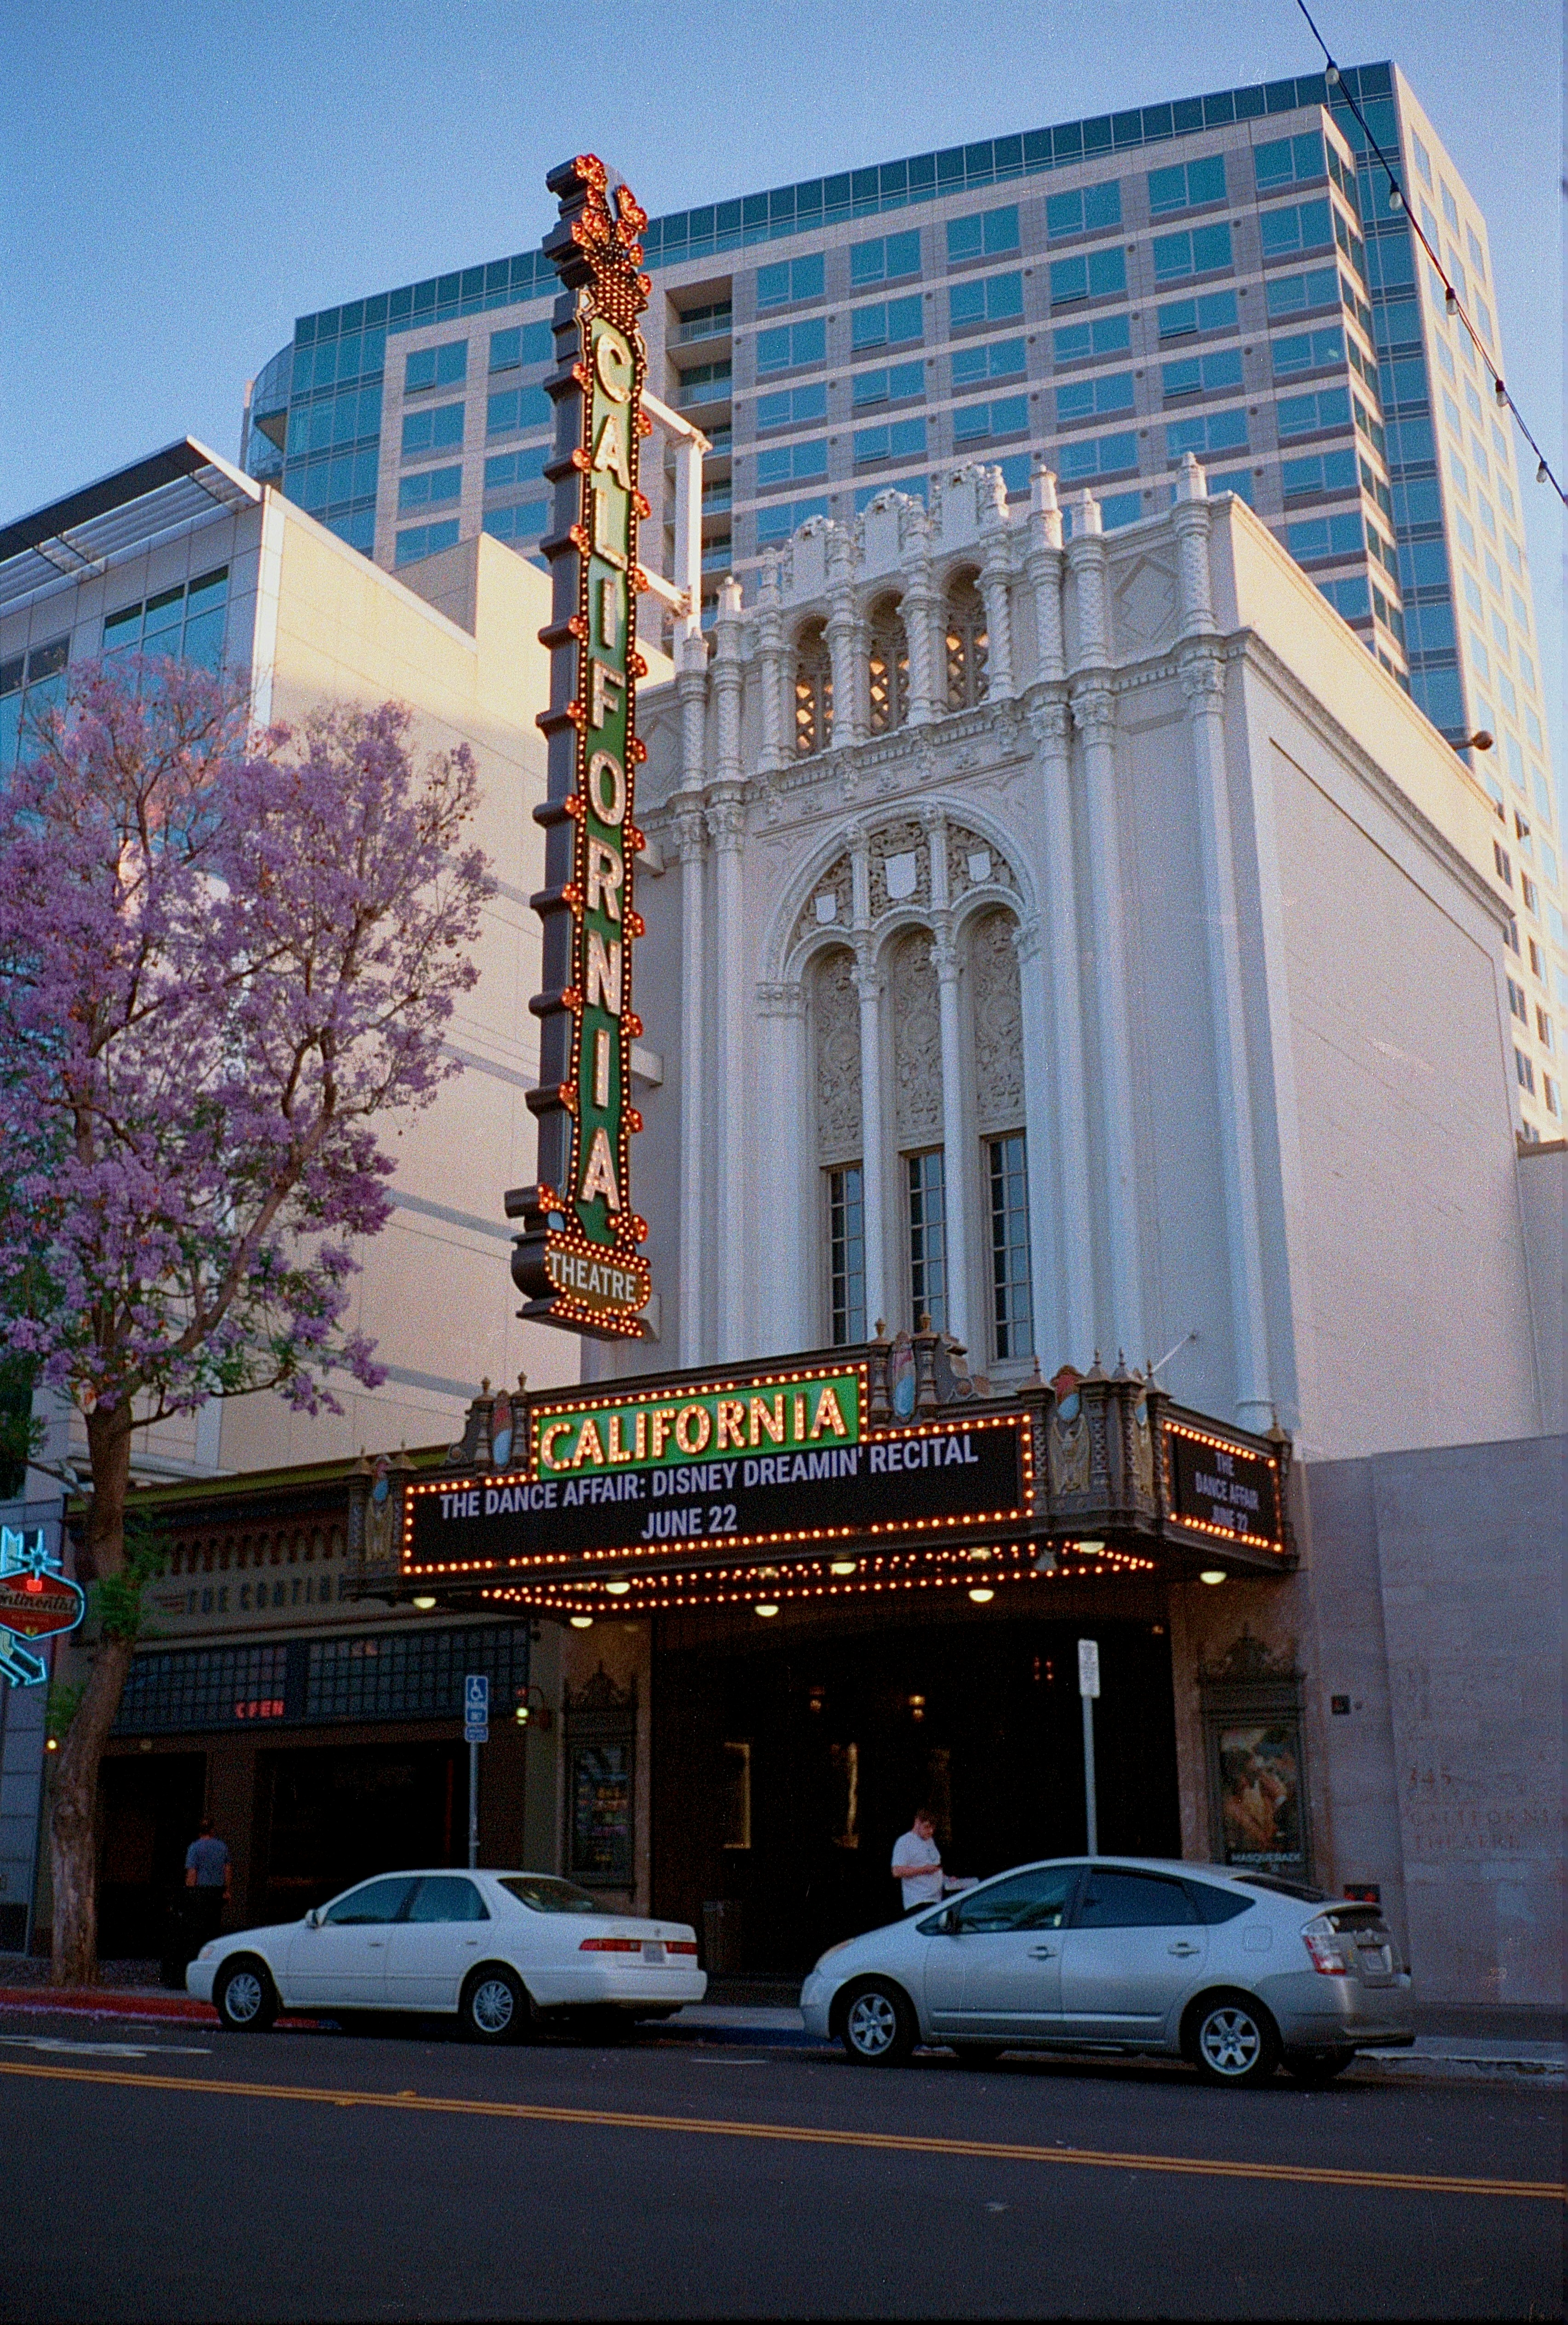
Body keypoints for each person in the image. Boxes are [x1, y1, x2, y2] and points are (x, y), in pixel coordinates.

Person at [184, 1816, 231, 1947]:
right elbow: (227, 1870)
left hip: (200, 1892)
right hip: (217, 1891)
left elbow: (192, 1873)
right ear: (212, 1830)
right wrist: (227, 1890)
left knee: (199, 1927)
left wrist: (190, 1893)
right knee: (214, 1925)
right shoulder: (222, 1847)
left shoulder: (194, 1848)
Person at [890, 1808, 945, 1911]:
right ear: (917, 1822)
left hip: (936, 1899)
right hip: (920, 1902)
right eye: (927, 1827)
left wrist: (945, 1878)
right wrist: (924, 1870)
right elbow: (897, 1872)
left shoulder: (930, 1841)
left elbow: (933, 1866)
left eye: (933, 1828)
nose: (931, 1831)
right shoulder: (905, 1842)